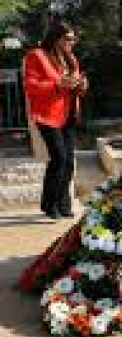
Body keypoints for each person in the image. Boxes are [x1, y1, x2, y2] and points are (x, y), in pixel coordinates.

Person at [23, 20, 87, 220]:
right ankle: (49, 205)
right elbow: (31, 86)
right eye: (68, 38)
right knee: (59, 158)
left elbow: (74, 86)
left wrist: (81, 85)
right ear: (56, 38)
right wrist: (59, 84)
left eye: (74, 39)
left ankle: (63, 205)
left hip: (69, 114)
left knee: (68, 161)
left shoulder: (71, 58)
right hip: (47, 115)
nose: (72, 42)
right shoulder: (37, 56)